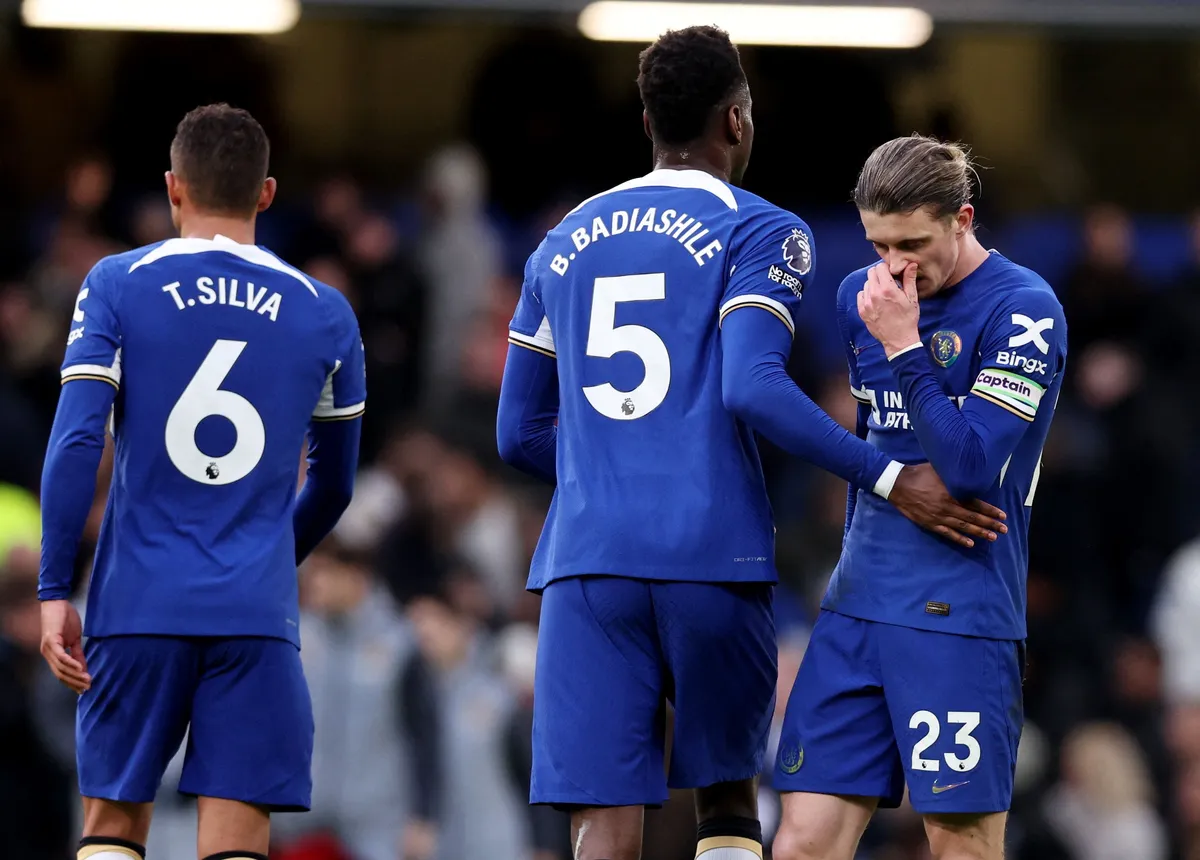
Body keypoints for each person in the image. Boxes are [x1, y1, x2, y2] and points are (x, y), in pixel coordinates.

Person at [495, 28, 1006, 860]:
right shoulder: (764, 229)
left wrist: (614, 469)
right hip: (710, 556)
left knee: (601, 824)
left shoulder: (562, 239)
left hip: (585, 563)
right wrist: (886, 477)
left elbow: (517, 434)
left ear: (649, 119)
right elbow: (753, 386)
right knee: (728, 801)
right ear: (737, 121)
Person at [37, 103, 365, 860]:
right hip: (255, 614)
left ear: (173, 188)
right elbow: (336, 485)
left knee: (113, 826)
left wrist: (57, 589)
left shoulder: (118, 283)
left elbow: (78, 440)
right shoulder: (326, 312)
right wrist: (268, 563)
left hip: (136, 601)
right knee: (238, 838)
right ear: (267, 193)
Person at [770, 135, 1068, 860]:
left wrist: (905, 349)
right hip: (855, 608)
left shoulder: (1025, 310)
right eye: (878, 245)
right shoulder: (858, 299)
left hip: (958, 614)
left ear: (962, 219)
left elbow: (968, 467)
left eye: (913, 243)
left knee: (960, 846)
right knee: (802, 841)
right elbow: (879, 445)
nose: (896, 267)